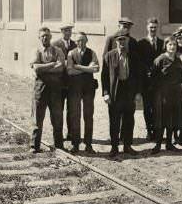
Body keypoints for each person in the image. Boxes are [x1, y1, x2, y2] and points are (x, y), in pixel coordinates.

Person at [101, 29, 145, 158]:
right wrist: (105, 93)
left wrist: (138, 93)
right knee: (114, 120)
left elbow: (139, 76)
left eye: (124, 40)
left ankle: (127, 145)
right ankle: (114, 147)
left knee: (129, 120)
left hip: (129, 92)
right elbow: (104, 76)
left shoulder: (134, 57)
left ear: (128, 41)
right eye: (119, 40)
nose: (122, 43)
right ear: (116, 42)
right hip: (115, 92)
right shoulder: (109, 56)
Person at [29, 27, 67, 153]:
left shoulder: (58, 50)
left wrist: (43, 68)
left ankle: (59, 145)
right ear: (39, 38)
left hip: (55, 89)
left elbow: (61, 67)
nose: (45, 38)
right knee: (37, 118)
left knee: (57, 117)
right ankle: (34, 146)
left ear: (51, 37)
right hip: (40, 88)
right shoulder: (36, 51)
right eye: (42, 36)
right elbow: (36, 68)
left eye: (47, 35)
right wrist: (51, 65)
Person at [65, 31, 100, 153]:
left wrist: (78, 67)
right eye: (79, 40)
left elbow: (96, 68)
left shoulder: (92, 53)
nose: (81, 42)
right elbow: (69, 71)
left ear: (87, 41)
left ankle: (88, 144)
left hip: (89, 89)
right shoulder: (71, 53)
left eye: (83, 40)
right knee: (75, 116)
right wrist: (87, 69)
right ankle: (75, 144)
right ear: (75, 42)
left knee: (88, 116)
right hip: (75, 89)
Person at [150, 37, 182, 154]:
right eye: (170, 44)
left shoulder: (178, 60)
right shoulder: (160, 59)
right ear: (166, 45)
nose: (172, 47)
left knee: (172, 118)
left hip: (175, 92)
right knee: (162, 119)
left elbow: (181, 77)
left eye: (174, 45)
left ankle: (169, 144)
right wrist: (157, 91)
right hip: (163, 93)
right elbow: (152, 76)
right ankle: (158, 144)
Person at [136, 18, 165, 141]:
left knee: (158, 107)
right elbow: (139, 61)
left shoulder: (162, 43)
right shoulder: (141, 43)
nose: (153, 29)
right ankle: (149, 130)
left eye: (155, 27)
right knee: (147, 107)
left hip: (158, 81)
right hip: (146, 81)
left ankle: (157, 131)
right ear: (147, 27)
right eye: (151, 27)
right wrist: (146, 71)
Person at [52, 23, 77, 142]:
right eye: (65, 31)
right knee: (58, 109)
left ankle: (71, 133)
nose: (68, 33)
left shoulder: (75, 44)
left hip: (71, 83)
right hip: (59, 83)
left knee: (71, 109)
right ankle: (59, 134)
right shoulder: (55, 45)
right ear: (61, 32)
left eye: (69, 31)